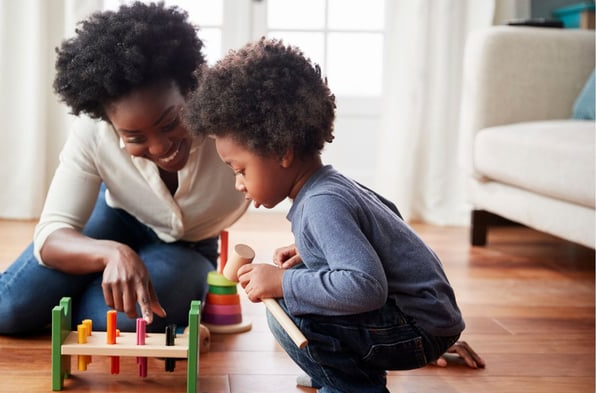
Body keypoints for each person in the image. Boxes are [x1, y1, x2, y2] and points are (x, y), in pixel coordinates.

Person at [0, 2, 248, 334]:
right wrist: (111, 253)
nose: (159, 148)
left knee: (120, 322)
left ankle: (52, 300)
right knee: (10, 308)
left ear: (191, 90)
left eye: (171, 122)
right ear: (108, 122)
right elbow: (51, 235)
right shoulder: (93, 133)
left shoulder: (235, 122)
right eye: (134, 136)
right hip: (117, 218)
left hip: (187, 246)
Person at [182, 37, 484, 392]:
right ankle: (339, 372)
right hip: (429, 319)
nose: (238, 184)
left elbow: (366, 288)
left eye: (239, 169)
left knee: (287, 310)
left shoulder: (322, 203)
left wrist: (282, 282)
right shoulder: (331, 185)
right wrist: (312, 251)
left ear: (281, 151)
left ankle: (350, 385)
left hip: (416, 328)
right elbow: (387, 224)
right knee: (304, 286)